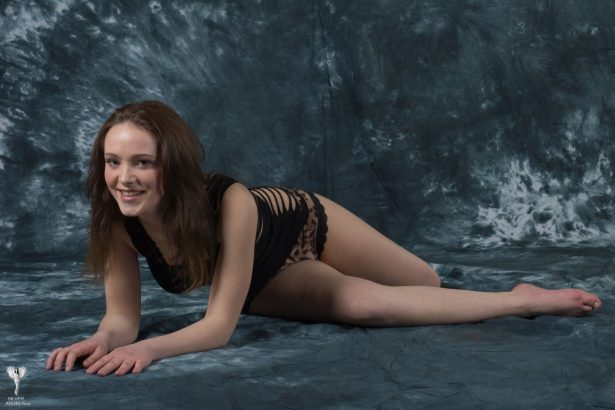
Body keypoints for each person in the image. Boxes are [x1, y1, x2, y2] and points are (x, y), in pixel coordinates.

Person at [45, 100, 602, 377]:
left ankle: (508, 292)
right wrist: (105, 340)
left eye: (142, 162)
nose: (124, 178)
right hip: (258, 278)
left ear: (172, 163)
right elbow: (125, 318)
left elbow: (214, 329)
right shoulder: (116, 220)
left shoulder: (228, 199)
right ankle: (522, 300)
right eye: (113, 162)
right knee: (364, 305)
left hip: (305, 222)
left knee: (425, 281)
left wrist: (150, 349)